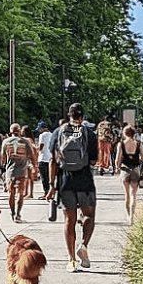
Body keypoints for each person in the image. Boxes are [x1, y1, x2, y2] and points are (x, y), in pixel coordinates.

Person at [48, 103, 98, 272]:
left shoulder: (58, 132)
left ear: (68, 115)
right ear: (82, 117)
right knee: (89, 215)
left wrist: (51, 186)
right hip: (84, 179)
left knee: (69, 220)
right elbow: (93, 161)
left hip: (65, 180)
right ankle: (83, 245)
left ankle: (71, 260)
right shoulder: (89, 134)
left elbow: (52, 161)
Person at [115, 123, 143, 225]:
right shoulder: (138, 144)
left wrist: (117, 167)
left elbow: (117, 159)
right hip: (135, 170)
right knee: (134, 195)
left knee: (127, 195)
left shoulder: (121, 144)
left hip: (125, 170)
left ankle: (128, 217)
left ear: (124, 133)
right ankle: (133, 216)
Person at [1, 123, 31, 222]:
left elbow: (2, 157)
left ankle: (12, 213)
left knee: (11, 193)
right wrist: (34, 166)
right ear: (19, 131)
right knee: (20, 193)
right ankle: (18, 214)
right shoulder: (25, 142)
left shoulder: (5, 142)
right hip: (22, 171)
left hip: (10, 171)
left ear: (10, 131)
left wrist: (4, 164)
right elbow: (31, 155)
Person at [36, 121, 52, 198]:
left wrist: (36, 149)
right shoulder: (52, 135)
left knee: (44, 178)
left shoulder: (42, 135)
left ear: (42, 128)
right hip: (50, 158)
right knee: (49, 178)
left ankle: (46, 193)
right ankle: (50, 193)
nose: (39, 131)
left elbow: (41, 146)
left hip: (43, 158)